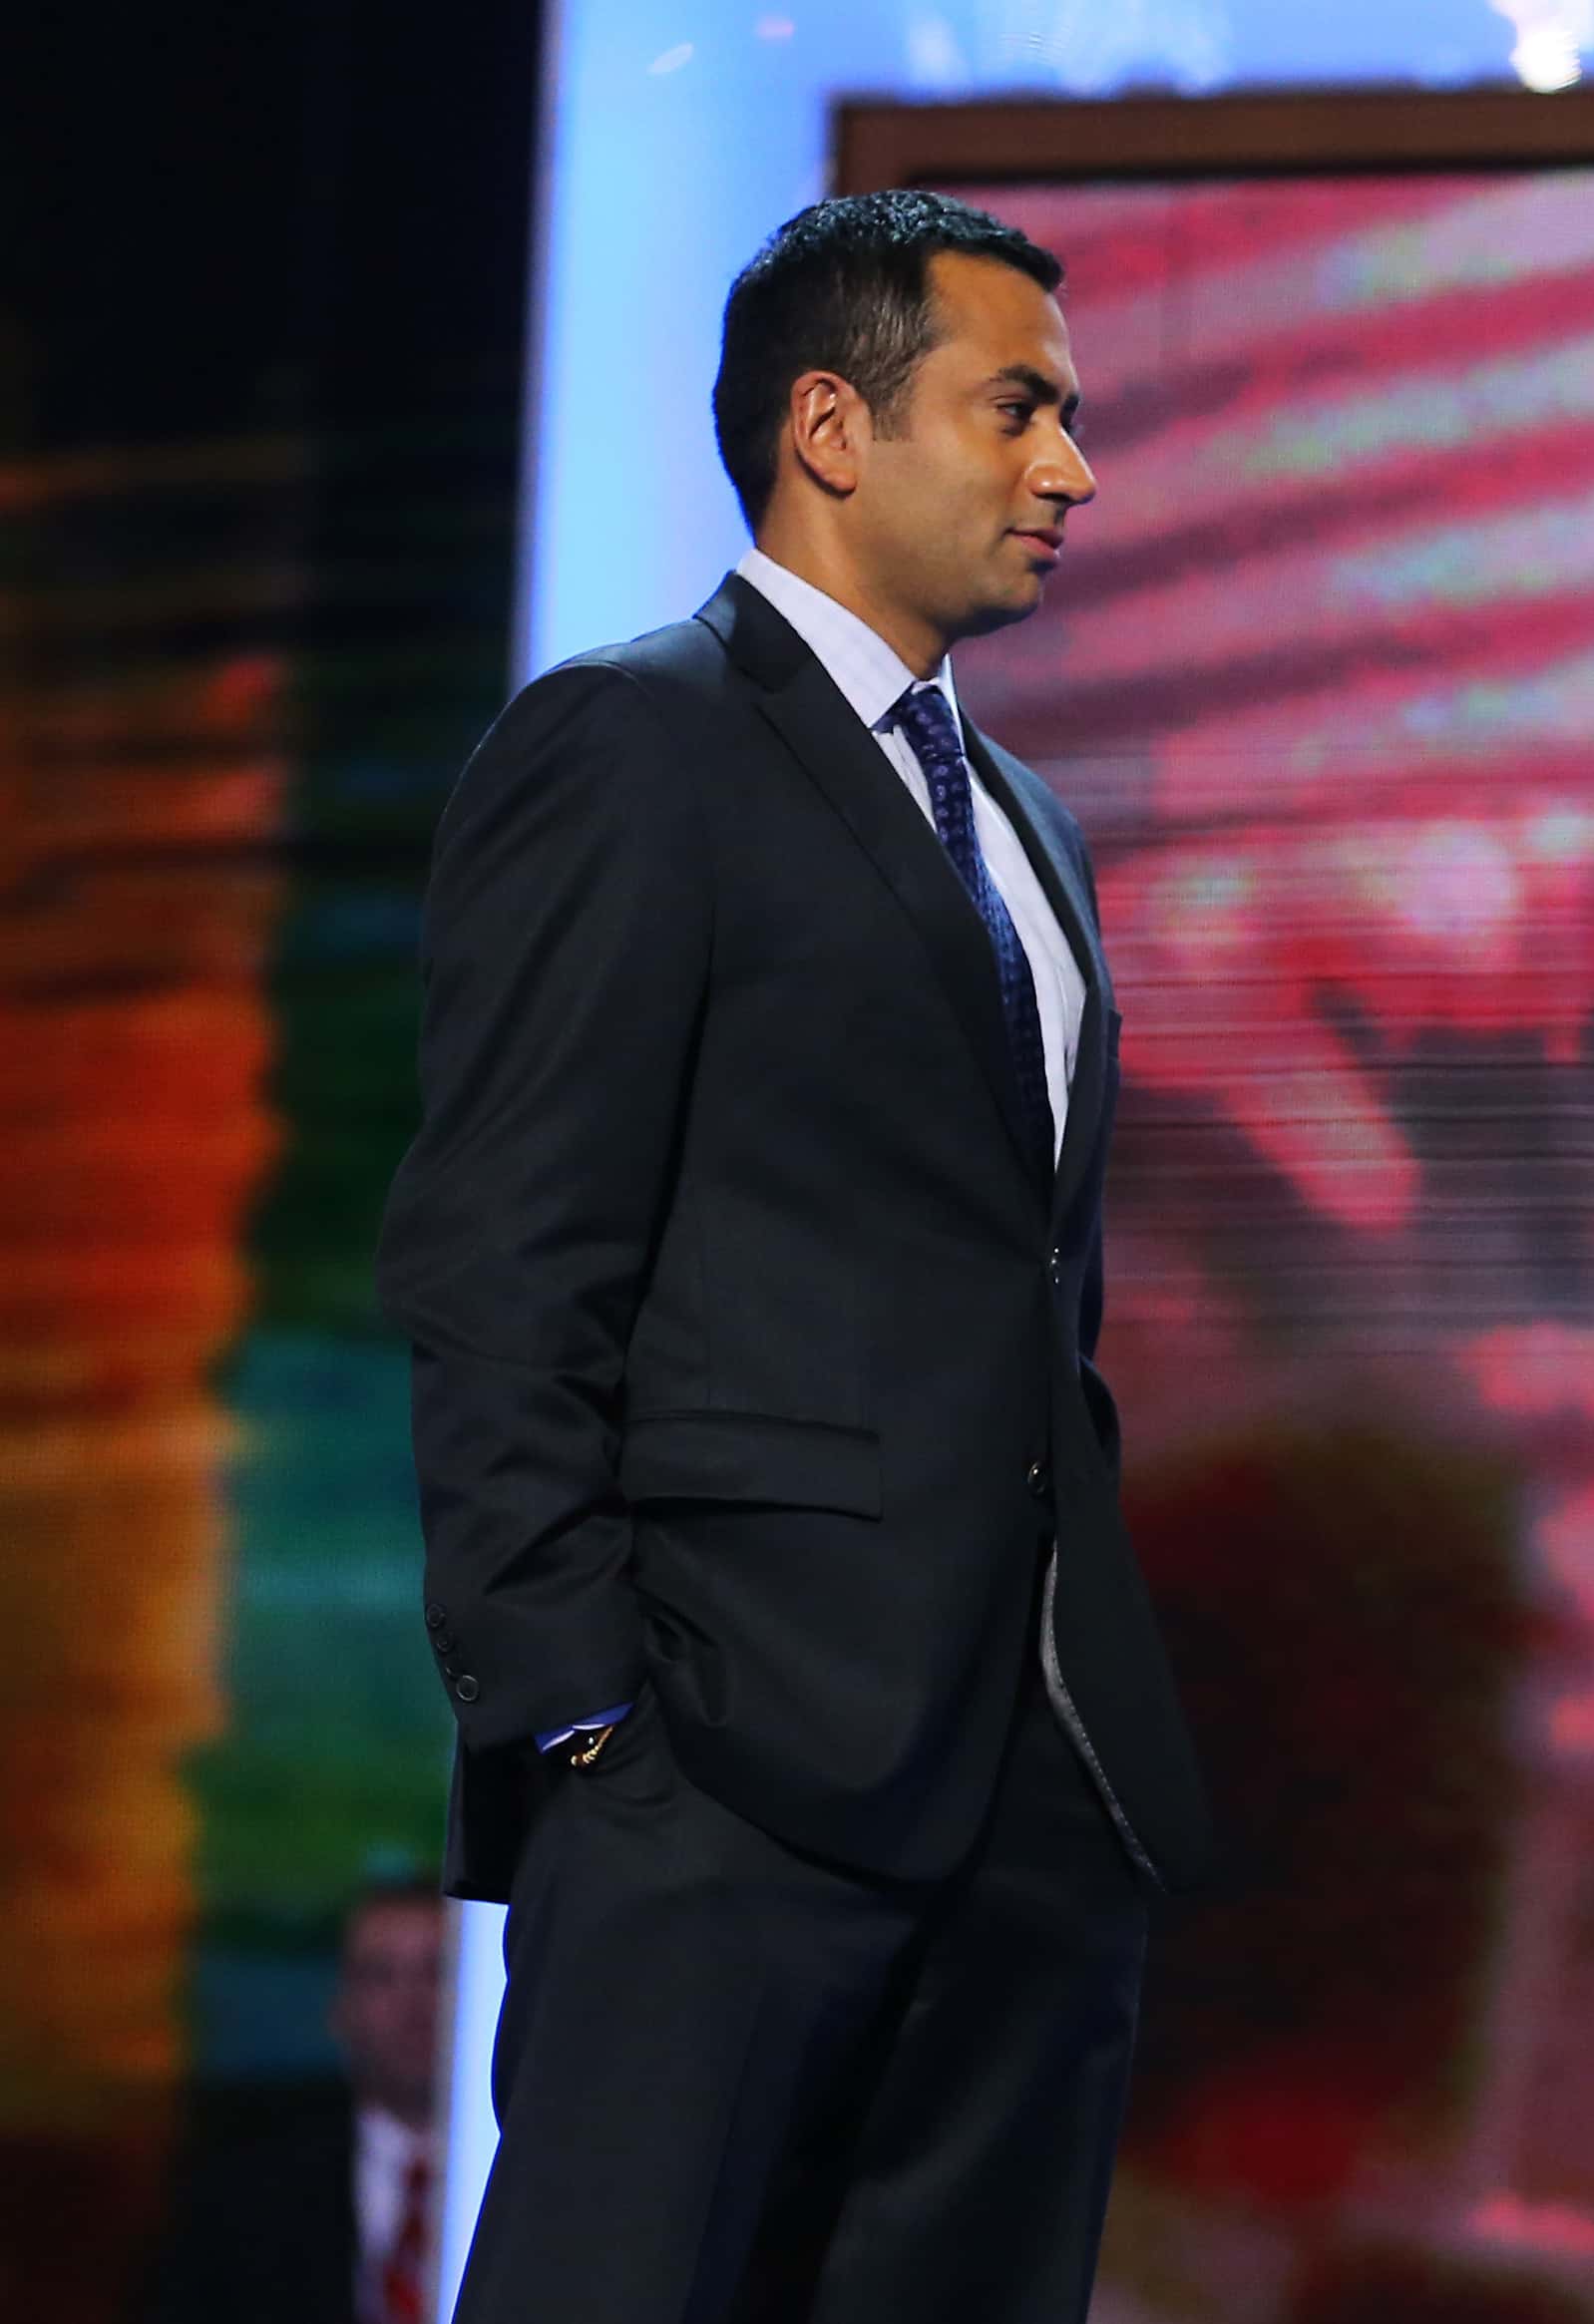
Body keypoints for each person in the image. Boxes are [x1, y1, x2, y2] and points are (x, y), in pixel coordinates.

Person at [374, 190, 1210, 2322]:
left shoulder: (1026, 821)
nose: (1072, 469)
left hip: (1026, 1803)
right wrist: (586, 1727)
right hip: (720, 1783)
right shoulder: (632, 742)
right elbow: (500, 1259)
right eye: (1018, 409)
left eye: (1072, 419)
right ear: (832, 427)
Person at [135, 1880, 449, 2324]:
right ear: (341, 2009)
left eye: (436, 1971)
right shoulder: (242, 2199)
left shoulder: (527, 2180)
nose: (413, 2005)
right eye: (381, 1975)